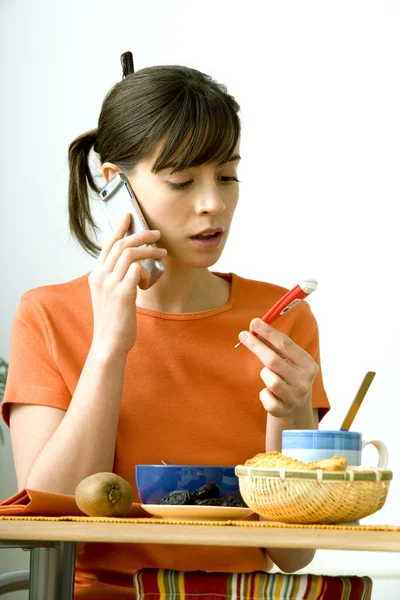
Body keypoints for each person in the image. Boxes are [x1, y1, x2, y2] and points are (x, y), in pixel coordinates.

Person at [2, 53, 330, 598]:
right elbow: (48, 525)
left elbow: (292, 553)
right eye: (182, 182)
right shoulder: (47, 316)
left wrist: (293, 411)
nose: (213, 204)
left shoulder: (282, 318)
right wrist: (110, 345)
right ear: (116, 186)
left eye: (228, 175)